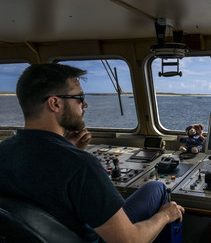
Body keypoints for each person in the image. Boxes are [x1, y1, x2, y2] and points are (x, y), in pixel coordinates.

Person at [0, 63, 184, 243]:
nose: (85, 104)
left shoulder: (4, 151)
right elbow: (129, 240)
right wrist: (166, 215)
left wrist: (69, 147)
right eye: (79, 97)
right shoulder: (80, 165)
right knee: (157, 188)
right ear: (54, 103)